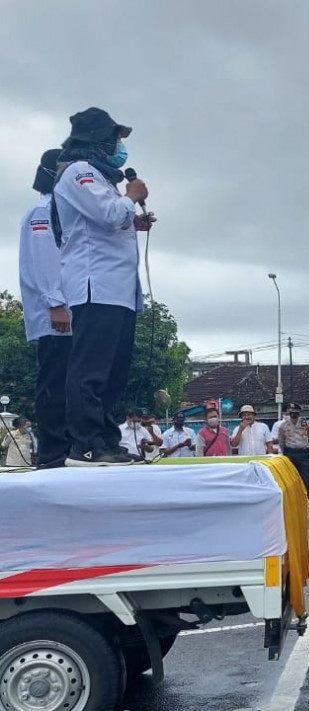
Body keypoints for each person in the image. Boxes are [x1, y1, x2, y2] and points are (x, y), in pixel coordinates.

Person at [55, 108, 153, 466]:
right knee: (91, 370)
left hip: (119, 291)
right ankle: (86, 445)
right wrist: (132, 196)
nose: (119, 147)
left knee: (114, 372)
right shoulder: (78, 172)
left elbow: (109, 220)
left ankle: (105, 440)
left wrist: (134, 217)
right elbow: (109, 214)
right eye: (115, 139)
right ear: (96, 139)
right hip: (96, 286)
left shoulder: (101, 177)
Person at [19, 148, 73, 468]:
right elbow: (45, 260)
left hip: (67, 312)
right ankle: (54, 452)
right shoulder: (44, 210)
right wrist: (56, 303)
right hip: (55, 314)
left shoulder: (61, 210)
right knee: (55, 382)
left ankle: (68, 448)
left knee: (68, 383)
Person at [276, 402, 309, 520]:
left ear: (299, 411)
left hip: (303, 453)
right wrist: (286, 452)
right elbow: (281, 441)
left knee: (308, 482)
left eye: (295, 410)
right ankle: (293, 512)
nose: (293, 412)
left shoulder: (306, 423)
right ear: (287, 412)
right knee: (291, 484)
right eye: (290, 410)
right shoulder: (283, 426)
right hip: (290, 454)